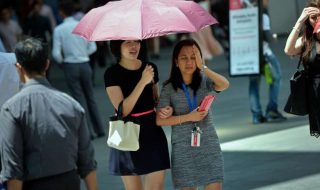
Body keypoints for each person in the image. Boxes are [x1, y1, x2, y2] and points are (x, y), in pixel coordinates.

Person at [0, 38, 98, 190]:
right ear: (47, 64)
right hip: (69, 182)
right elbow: (87, 160)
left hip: (33, 184)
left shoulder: (11, 109)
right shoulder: (71, 104)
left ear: (18, 68)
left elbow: (13, 168)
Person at [156, 39, 229, 190]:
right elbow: (160, 120)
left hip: (209, 144)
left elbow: (224, 84)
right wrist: (189, 117)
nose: (189, 62)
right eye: (184, 57)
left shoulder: (204, 80)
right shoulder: (168, 88)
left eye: (193, 57)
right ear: (176, 61)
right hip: (183, 149)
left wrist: (203, 67)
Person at [104, 40, 170, 190]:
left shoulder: (150, 67)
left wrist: (165, 108)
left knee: (156, 187)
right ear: (117, 46)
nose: (134, 46)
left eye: (137, 41)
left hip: (152, 131)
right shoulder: (111, 73)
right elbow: (123, 110)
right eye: (128, 42)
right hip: (127, 132)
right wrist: (142, 82)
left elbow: (156, 101)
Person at [52, 0, 105, 138]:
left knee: (78, 99)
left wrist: (63, 62)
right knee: (90, 97)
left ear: (62, 13)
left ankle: (88, 132)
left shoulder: (59, 29)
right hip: (85, 64)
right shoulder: (82, 25)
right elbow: (92, 47)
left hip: (70, 65)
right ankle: (100, 129)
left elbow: (56, 53)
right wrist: (82, 54)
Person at [284, 0, 320, 137]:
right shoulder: (307, 39)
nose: (316, 20)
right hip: (316, 96)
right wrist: (299, 21)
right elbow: (288, 50)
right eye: (313, 17)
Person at [248, 0, 286, 124]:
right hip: (264, 54)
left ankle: (256, 115)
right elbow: (266, 35)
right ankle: (272, 110)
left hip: (248, 55)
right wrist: (274, 37)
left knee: (254, 83)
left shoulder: (245, 13)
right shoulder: (262, 14)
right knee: (277, 78)